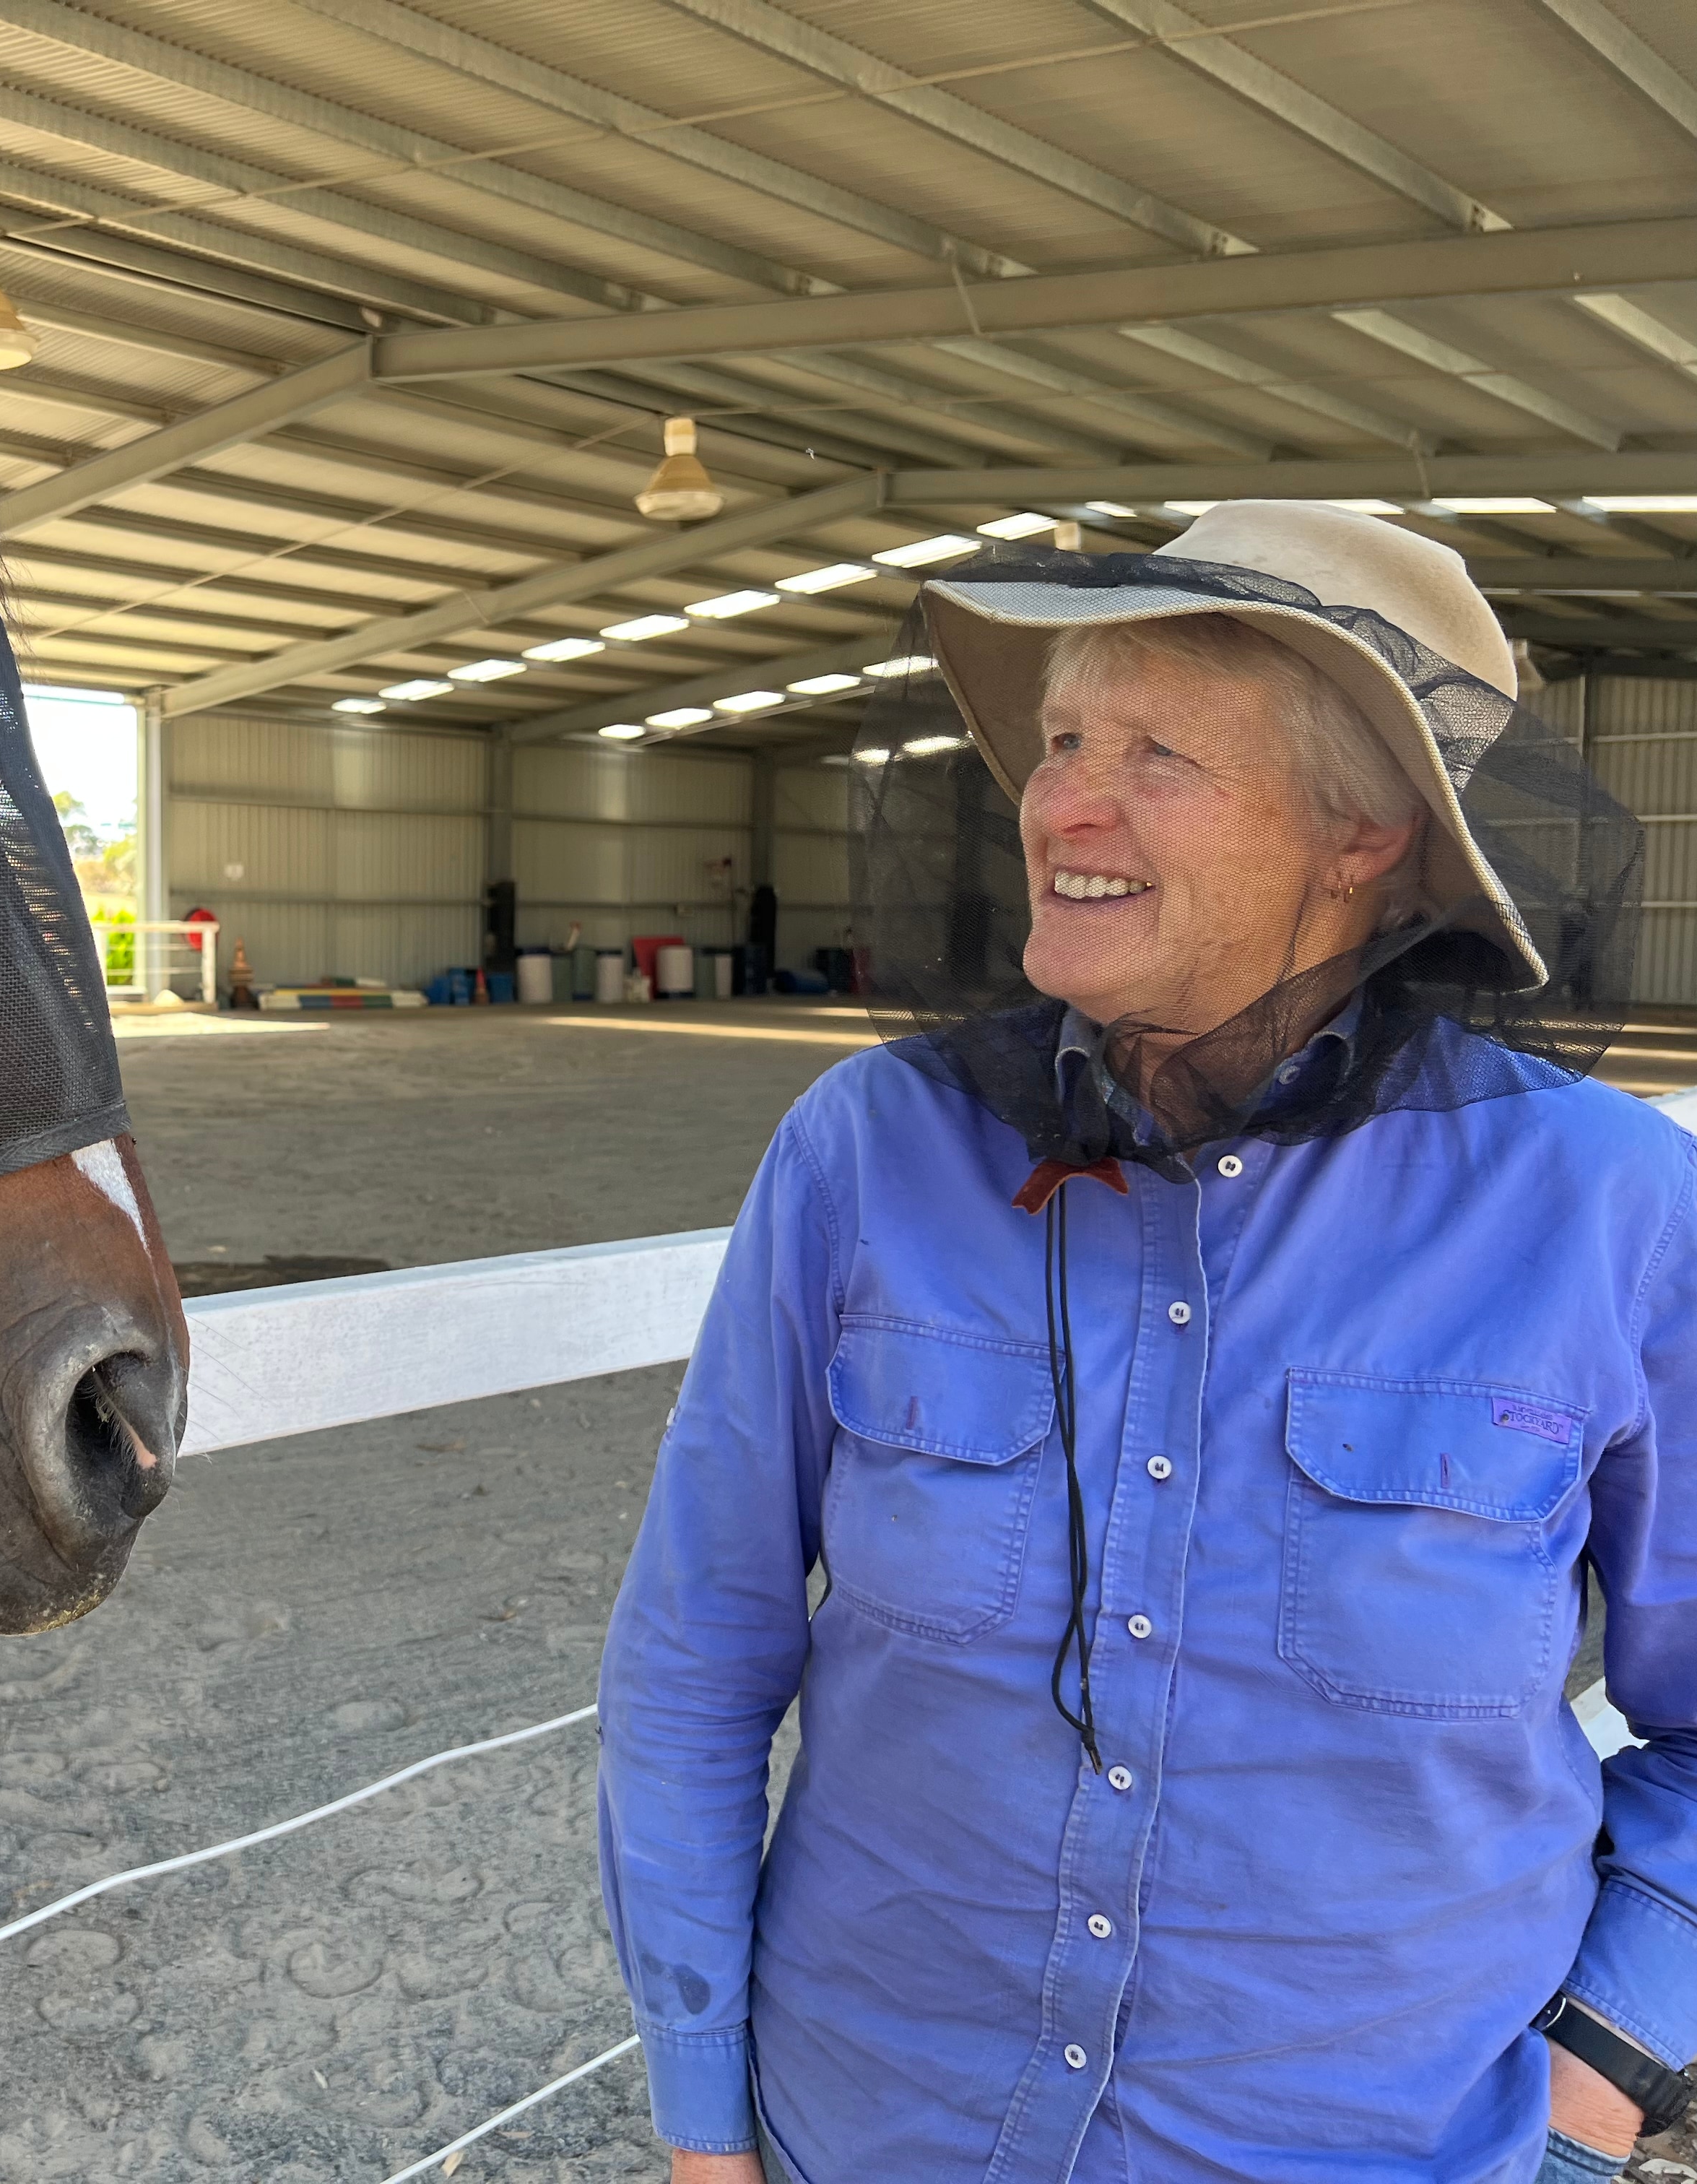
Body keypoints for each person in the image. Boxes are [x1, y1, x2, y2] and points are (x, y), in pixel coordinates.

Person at [596, 503, 1694, 2183]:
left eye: (1157, 753)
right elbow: (695, 1653)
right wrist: (704, 2123)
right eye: (1060, 743)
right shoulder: (868, 1151)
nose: (1062, 806)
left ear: (1365, 832)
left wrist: (1594, 2089)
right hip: (868, 2133)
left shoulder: (1608, 1206)